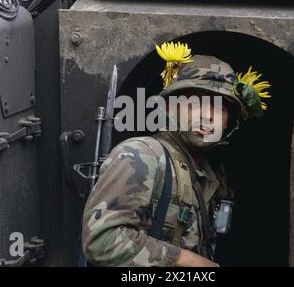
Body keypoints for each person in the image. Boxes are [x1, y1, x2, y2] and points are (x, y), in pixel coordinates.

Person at [81, 41, 271, 267]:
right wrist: (186, 261)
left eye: (220, 108)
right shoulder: (141, 155)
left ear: (230, 122)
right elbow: (101, 242)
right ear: (170, 108)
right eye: (196, 102)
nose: (208, 115)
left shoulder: (210, 175)